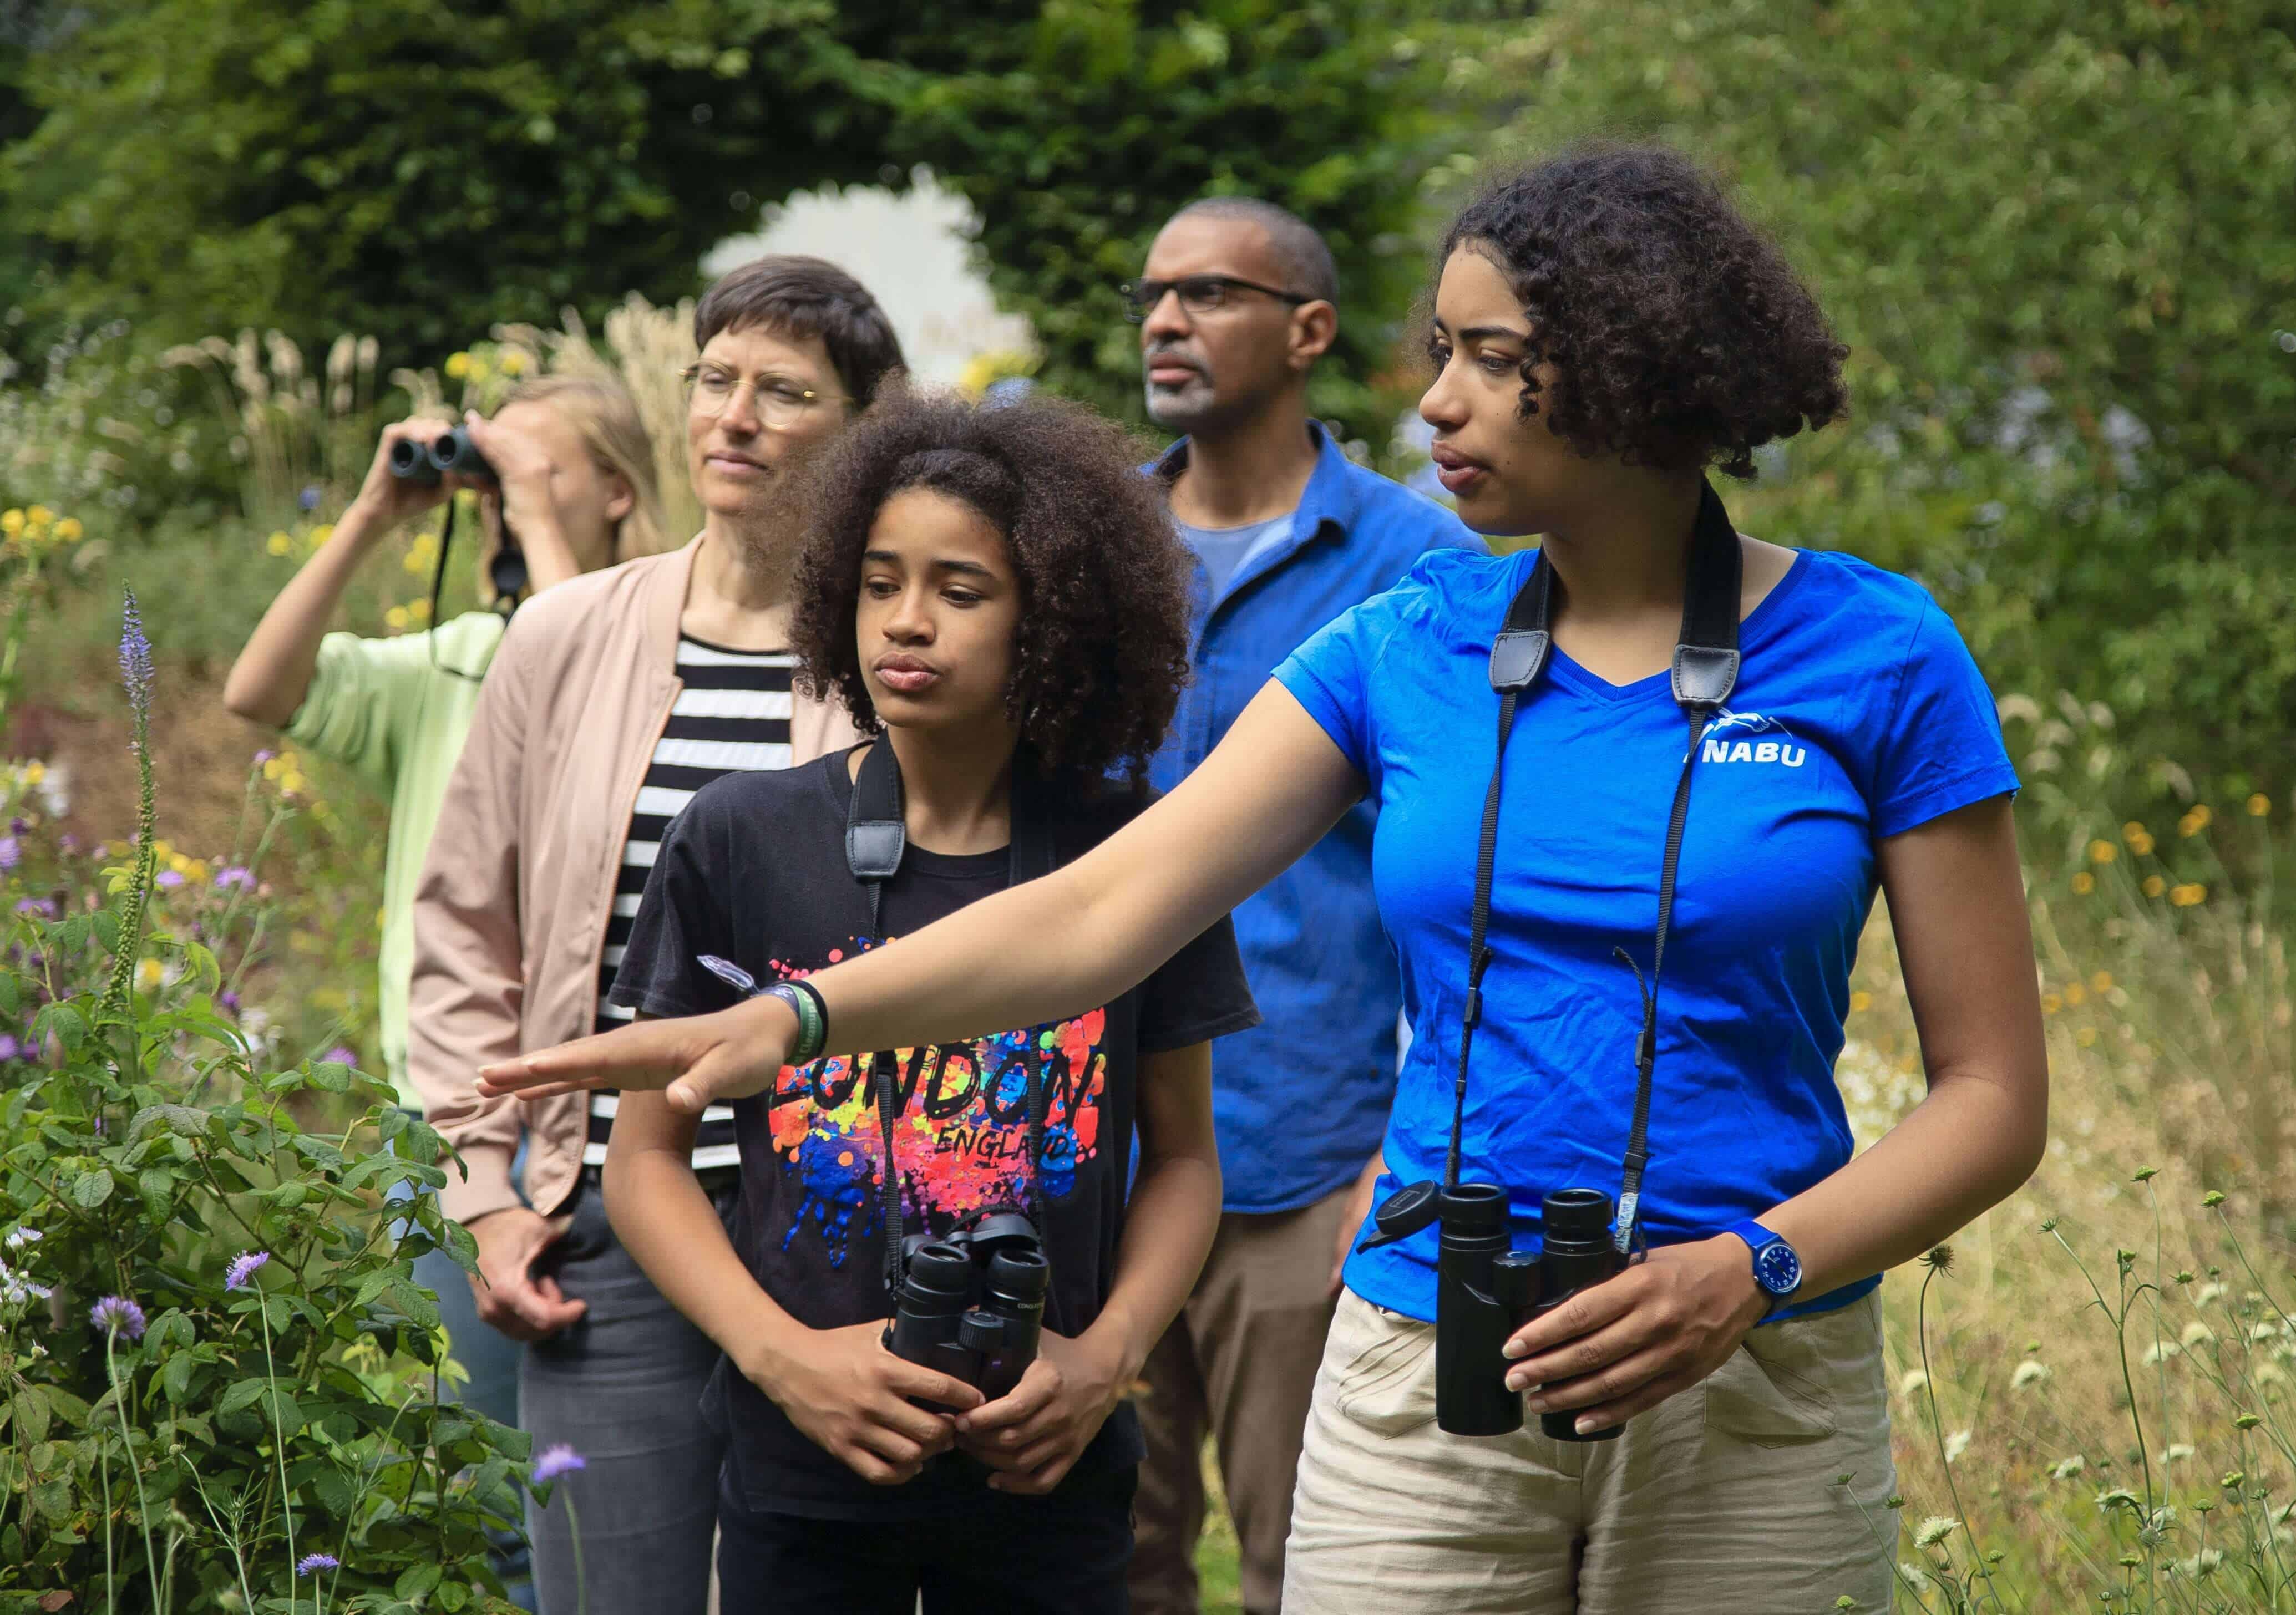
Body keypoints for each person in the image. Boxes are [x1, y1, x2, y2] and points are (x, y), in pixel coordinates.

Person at [478, 145, 2050, 1615]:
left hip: (1754, 1378)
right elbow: (1103, 910)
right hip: (1433, 1355)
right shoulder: (1408, 642)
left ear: (1640, 359)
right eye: (1437, 348)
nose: (1435, 402)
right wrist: (806, 1020)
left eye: (1489, 358)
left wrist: (1755, 1269)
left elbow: (1993, 1099)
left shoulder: (1879, 653)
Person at [594, 385, 1260, 1612]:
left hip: (1041, 1465)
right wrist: (783, 1357)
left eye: (961, 591)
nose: (907, 622)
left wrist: (1101, 1361)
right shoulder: (739, 836)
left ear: (1052, 617)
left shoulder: (1134, 857)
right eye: (879, 581)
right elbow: (645, 1158)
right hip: (808, 1463)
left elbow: (1183, 1159)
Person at [410, 256, 903, 1615]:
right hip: (609, 1220)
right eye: (716, 380)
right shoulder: (567, 635)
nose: (735, 417)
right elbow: (466, 927)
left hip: (838, 1224)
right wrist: (489, 1193)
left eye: (785, 392)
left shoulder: (898, 650)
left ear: (863, 426)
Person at [1124, 196, 1482, 1615]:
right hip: (1093, 1154)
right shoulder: (1092, 548)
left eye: (1209, 292)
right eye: (1154, 293)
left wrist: (1395, 1157)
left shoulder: (1421, 566)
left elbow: (1462, 898)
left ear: (1309, 331)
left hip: (1308, 1155)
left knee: (1315, 1566)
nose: (1164, 319)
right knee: (1100, 1567)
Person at [222, 372, 669, 1486]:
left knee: (619, 1482)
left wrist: (523, 499)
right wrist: (374, 512)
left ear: (618, 491)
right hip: (458, 1116)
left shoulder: (667, 651)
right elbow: (258, 690)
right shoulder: (457, 657)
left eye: (543, 469)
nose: (501, 496)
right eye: (493, 473)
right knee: (484, 1482)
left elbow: (589, 698)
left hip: (620, 1123)